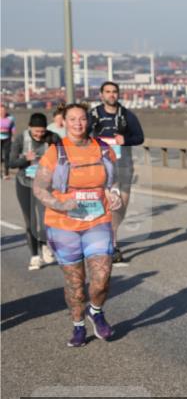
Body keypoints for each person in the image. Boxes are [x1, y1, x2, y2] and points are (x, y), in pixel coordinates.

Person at [32, 103, 123, 347]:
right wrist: (60, 204)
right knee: (76, 283)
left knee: (102, 278)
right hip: (63, 224)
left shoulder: (103, 149)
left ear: (88, 121)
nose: (78, 123)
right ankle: (78, 325)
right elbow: (39, 188)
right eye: (72, 119)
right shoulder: (56, 152)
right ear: (64, 122)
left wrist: (114, 194)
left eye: (82, 118)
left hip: (97, 220)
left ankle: (96, 311)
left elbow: (113, 182)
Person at [87, 81, 144, 263]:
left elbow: (140, 137)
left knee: (121, 205)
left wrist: (125, 140)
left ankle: (110, 237)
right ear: (101, 95)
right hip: (100, 166)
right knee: (105, 205)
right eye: (108, 92)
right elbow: (81, 136)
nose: (111, 95)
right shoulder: (93, 115)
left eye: (114, 92)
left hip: (123, 165)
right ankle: (110, 245)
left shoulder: (127, 115)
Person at [10, 113, 60, 269]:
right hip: (25, 184)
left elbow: (64, 158)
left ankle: (44, 245)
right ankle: (35, 256)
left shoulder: (53, 137)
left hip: (45, 185)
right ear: (29, 127)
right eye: (36, 131)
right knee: (30, 221)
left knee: (46, 219)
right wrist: (25, 159)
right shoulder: (21, 139)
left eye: (42, 131)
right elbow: (11, 162)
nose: (39, 134)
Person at [1, 104, 15, 179]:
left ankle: (6, 173)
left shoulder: (10, 118)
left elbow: (13, 127)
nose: (2, 112)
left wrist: (13, 136)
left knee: (7, 156)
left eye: (4, 110)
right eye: (1, 110)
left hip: (7, 138)